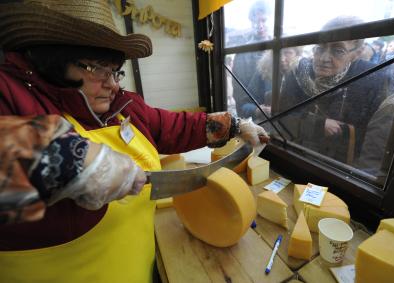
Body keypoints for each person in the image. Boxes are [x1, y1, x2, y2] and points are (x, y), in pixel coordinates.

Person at [0, 1, 269, 283]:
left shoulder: (122, 105)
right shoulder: (10, 90)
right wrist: (67, 159)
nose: (113, 84)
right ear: (56, 60)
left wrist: (235, 126)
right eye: (98, 69)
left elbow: (170, 126)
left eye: (115, 71)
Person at [277, 15, 388, 165]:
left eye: (338, 50)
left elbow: (375, 137)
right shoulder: (298, 72)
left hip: (343, 168)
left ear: (357, 52)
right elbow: (282, 114)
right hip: (297, 155)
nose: (324, 58)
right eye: (320, 48)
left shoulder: (373, 78)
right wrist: (318, 124)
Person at [238, 47, 302, 121]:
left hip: (293, 128)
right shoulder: (263, 73)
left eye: (288, 53)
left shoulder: (302, 75)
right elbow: (244, 104)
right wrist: (257, 110)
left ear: (297, 54)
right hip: (267, 127)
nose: (282, 59)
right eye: (278, 53)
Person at [232, 0, 272, 118]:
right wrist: (256, 110)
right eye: (255, 21)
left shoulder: (283, 50)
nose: (260, 25)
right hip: (257, 119)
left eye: (264, 20)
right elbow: (239, 94)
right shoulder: (242, 54)